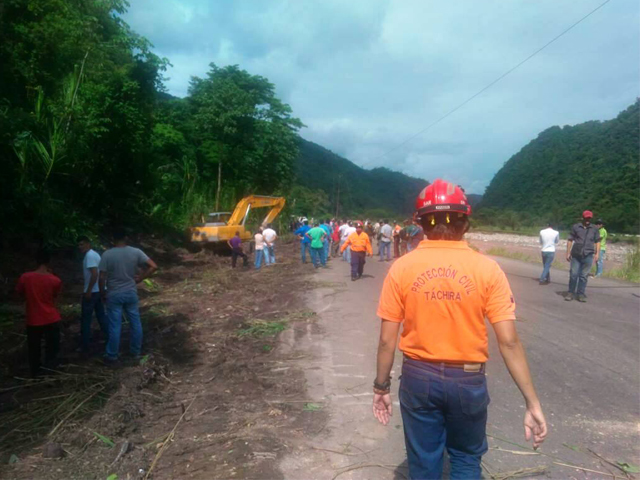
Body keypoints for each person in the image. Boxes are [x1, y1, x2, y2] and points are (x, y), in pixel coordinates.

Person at [372, 179, 547, 479]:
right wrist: (532, 402)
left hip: (418, 378)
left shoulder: (402, 267)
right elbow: (508, 342)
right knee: (466, 458)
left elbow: (388, 342)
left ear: (420, 223)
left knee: (424, 461)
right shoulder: (487, 269)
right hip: (468, 380)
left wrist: (381, 387)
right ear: (464, 223)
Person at [99, 228, 157, 363]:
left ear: (113, 239)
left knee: (115, 325)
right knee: (135, 323)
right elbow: (153, 266)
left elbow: (102, 277)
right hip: (130, 292)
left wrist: (103, 293)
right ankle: (135, 352)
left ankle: (112, 354)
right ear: (125, 238)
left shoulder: (107, 254)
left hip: (114, 294)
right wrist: (140, 278)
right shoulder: (135, 252)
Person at [16, 250, 63, 377]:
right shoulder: (55, 280)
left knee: (34, 348)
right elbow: (54, 296)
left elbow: (20, 293)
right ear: (49, 262)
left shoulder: (25, 277)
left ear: (35, 262)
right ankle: (51, 370)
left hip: (33, 319)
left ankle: (35, 373)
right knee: (52, 347)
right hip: (51, 317)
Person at [77, 236, 108, 354]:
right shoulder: (94, 254)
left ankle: (85, 345)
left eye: (82, 244)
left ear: (88, 244)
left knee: (86, 319)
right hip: (98, 290)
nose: (80, 247)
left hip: (93, 292)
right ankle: (109, 337)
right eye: (79, 245)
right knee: (101, 315)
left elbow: (95, 274)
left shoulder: (90, 255)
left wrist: (88, 290)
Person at [565, 210, 601, 302]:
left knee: (583, 276)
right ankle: (570, 292)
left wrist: (597, 254)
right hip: (576, 254)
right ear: (583, 217)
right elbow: (570, 239)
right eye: (586, 218)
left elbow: (597, 241)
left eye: (589, 218)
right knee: (573, 274)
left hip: (588, 254)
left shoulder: (594, 229)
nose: (588, 220)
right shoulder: (576, 227)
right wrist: (568, 252)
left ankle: (581, 294)